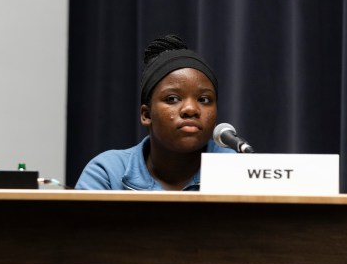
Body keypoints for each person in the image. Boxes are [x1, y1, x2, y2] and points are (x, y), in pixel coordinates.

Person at [75, 35, 233, 191]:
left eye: (204, 100)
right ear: (146, 115)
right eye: (172, 98)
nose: (191, 109)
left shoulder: (235, 168)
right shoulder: (108, 173)